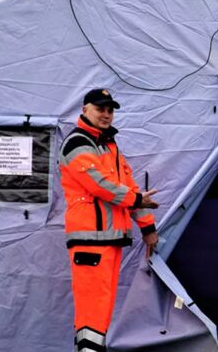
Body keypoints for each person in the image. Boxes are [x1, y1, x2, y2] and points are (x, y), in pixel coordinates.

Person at [59, 88, 159, 352]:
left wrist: (147, 227)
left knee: (101, 306)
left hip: (108, 239)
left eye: (110, 110)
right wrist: (137, 201)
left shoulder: (109, 146)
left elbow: (129, 187)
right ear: (85, 110)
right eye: (100, 109)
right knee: (93, 307)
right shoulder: (78, 143)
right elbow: (100, 185)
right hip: (90, 239)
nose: (106, 114)